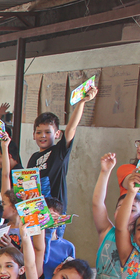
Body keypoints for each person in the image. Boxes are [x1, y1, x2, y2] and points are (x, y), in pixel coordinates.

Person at [26, 84, 97, 212]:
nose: (42, 136)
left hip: (55, 213)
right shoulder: (33, 158)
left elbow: (71, 128)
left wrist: (81, 102)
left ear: (57, 134)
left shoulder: (59, 152)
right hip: (36, 211)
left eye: (48, 132)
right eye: (38, 132)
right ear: (33, 135)